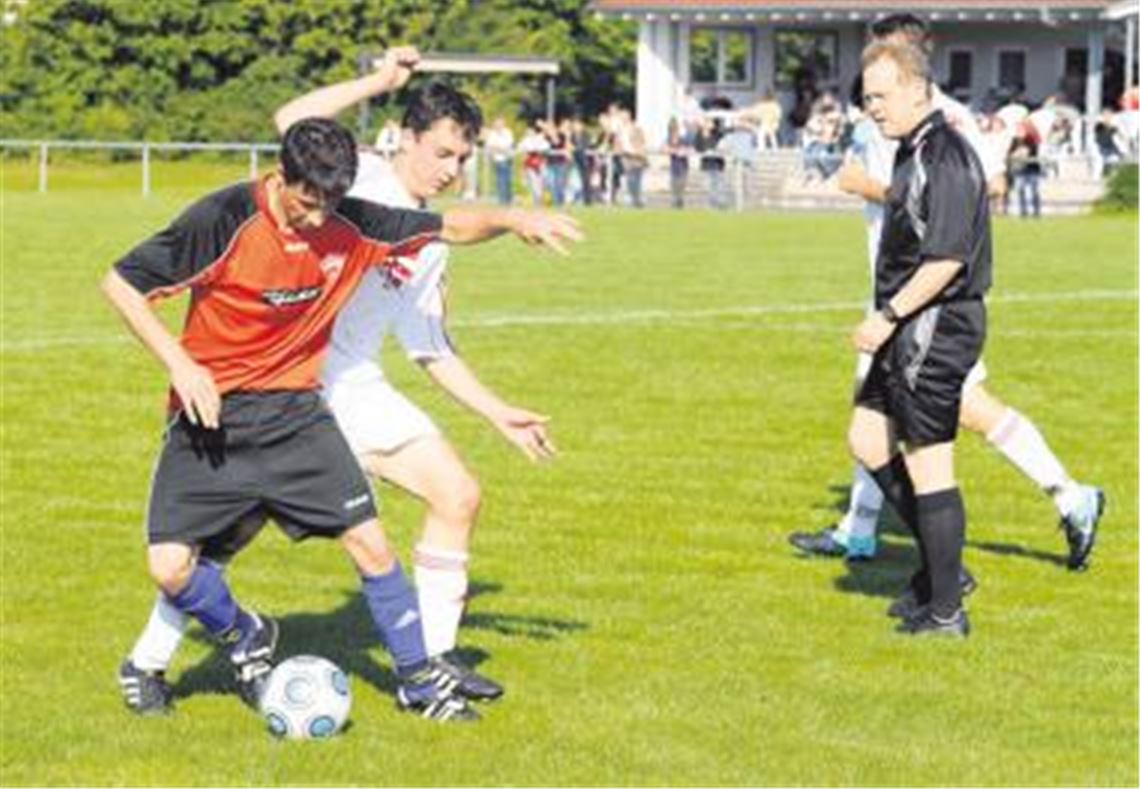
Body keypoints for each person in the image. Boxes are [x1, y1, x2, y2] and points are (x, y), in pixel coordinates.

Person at [116, 49, 582, 717]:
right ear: (405, 138)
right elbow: (292, 121)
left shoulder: (412, 239)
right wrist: (382, 81)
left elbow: (431, 347)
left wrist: (497, 410)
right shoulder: (351, 176)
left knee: (453, 495)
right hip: (293, 388)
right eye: (441, 152)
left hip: (337, 392)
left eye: (460, 158)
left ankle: (430, 664)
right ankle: (151, 659)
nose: (449, 169)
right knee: (211, 545)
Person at [792, 13, 1103, 572]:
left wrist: (870, 187)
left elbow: (974, 195)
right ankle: (862, 530)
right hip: (897, 293)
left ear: (917, 56)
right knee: (882, 417)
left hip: (928, 304)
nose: (876, 75)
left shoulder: (948, 122)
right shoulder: (883, 110)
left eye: (889, 52)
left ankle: (1062, 502)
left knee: (935, 416)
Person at [848, 40, 991, 637]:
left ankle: (945, 609)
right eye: (866, 97)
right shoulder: (912, 150)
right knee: (867, 438)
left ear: (915, 88)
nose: (871, 108)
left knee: (931, 463)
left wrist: (888, 316)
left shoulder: (947, 153)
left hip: (933, 327)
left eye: (880, 96)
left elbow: (948, 260)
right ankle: (941, 570)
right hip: (907, 327)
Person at [485, 117, 515, 206]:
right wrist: (499, 148)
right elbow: (490, 146)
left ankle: (508, 199)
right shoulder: (492, 134)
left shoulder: (508, 132)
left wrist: (498, 147)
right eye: (497, 124)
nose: (498, 126)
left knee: (507, 180)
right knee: (500, 180)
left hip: (507, 159)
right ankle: (502, 200)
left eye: (500, 124)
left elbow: (508, 145)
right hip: (498, 159)